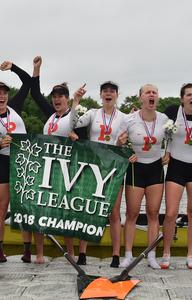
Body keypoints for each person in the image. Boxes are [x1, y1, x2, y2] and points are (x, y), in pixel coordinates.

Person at [29, 56, 82, 263]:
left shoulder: (75, 115)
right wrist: (37, 69)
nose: (57, 99)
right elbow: (34, 93)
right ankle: (40, 255)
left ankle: (70, 253)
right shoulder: (51, 114)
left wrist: (77, 138)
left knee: (65, 213)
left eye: (61, 96)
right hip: (45, 169)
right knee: (40, 211)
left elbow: (85, 140)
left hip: (66, 171)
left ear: (67, 99)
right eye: (54, 96)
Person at [0, 60, 32, 263]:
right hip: (3, 164)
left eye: (4, 93)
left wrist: (13, 67)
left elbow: (28, 82)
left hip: (24, 163)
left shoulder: (16, 107)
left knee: (24, 207)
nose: (2, 96)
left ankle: (27, 252)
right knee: (2, 207)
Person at [72, 80, 128, 268]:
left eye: (112, 91)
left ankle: (115, 256)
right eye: (105, 91)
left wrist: (123, 144)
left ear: (117, 95)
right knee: (89, 209)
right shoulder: (92, 113)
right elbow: (72, 123)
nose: (108, 93)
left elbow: (130, 142)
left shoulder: (124, 118)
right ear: (101, 95)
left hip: (113, 167)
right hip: (92, 166)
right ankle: (82, 254)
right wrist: (75, 101)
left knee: (113, 213)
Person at [117, 84, 169, 269]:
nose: (151, 95)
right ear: (140, 98)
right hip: (135, 169)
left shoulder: (164, 119)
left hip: (155, 168)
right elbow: (119, 144)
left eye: (154, 92)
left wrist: (168, 152)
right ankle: (128, 255)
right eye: (147, 92)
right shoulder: (129, 119)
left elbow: (173, 138)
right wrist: (125, 152)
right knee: (132, 214)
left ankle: (152, 255)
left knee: (153, 213)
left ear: (158, 97)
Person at [160, 83, 192, 269]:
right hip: (176, 167)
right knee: (171, 213)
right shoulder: (172, 111)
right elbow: (153, 122)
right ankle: (166, 253)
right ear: (182, 98)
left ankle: (190, 255)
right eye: (189, 94)